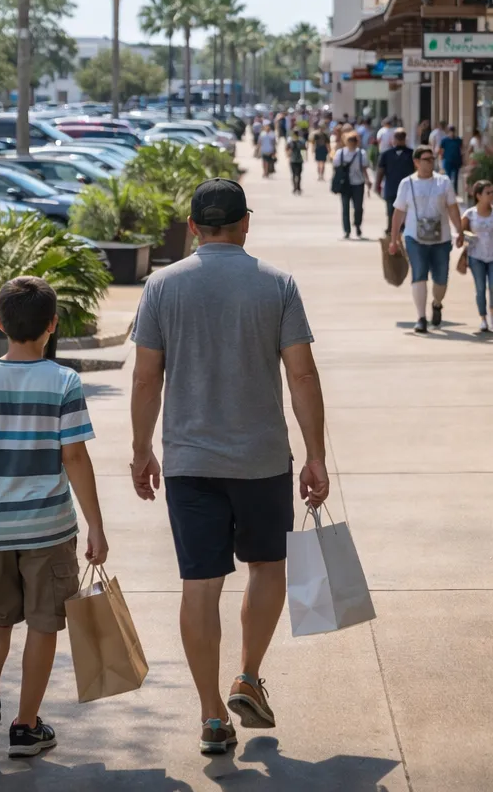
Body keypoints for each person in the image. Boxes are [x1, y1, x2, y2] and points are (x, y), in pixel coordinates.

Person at [128, 179, 330, 755]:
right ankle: (247, 674)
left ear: (193, 227)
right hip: (262, 458)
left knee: (200, 583)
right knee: (268, 568)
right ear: (246, 223)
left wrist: (142, 449)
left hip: (190, 463)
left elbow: (146, 378)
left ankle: (212, 715)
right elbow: (303, 375)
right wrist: (314, 454)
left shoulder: (161, 287)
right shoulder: (277, 286)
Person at [0, 276, 108, 761]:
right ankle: (25, 725)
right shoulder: (63, 381)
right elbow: (75, 457)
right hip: (48, 528)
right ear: (52, 326)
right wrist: (95, 524)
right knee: (43, 623)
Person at [389, 146, 465, 333]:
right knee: (419, 274)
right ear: (416, 162)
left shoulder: (443, 182)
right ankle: (421, 317)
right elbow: (399, 212)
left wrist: (460, 231)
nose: (431, 162)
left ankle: (437, 304)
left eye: (432, 159)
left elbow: (453, 208)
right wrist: (393, 239)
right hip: (414, 236)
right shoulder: (407, 184)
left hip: (442, 238)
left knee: (441, 279)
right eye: (426, 159)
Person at [461, 179, 493, 333]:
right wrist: (468, 236)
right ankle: (483, 318)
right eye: (488, 193)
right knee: (480, 288)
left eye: (492, 192)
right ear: (478, 196)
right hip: (476, 256)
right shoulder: (469, 214)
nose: (491, 196)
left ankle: (491, 309)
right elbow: (461, 233)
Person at [374, 127, 416, 228]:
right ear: (393, 139)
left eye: (401, 137)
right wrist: (377, 185)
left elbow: (417, 170)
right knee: (391, 212)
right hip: (391, 188)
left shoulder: (412, 154)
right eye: (397, 137)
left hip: (408, 189)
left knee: (407, 214)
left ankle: (403, 233)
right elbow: (380, 171)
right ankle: (391, 232)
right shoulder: (386, 155)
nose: (399, 140)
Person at [332, 131, 370, 239]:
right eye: (349, 140)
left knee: (358, 207)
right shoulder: (340, 153)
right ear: (345, 142)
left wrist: (367, 180)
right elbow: (336, 166)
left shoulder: (361, 153)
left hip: (358, 183)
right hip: (345, 184)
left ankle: (357, 224)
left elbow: (364, 168)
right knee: (345, 207)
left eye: (353, 141)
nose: (351, 143)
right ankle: (347, 230)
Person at [439, 124, 466, 194]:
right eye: (450, 131)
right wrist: (441, 160)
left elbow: (462, 150)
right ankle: (448, 191)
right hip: (448, 161)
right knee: (448, 177)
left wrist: (463, 160)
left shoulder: (458, 140)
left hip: (457, 161)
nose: (452, 133)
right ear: (448, 132)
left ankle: (455, 191)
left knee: (456, 177)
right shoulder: (444, 140)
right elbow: (441, 150)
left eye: (453, 131)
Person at [286, 130, 306, 195]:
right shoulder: (301, 141)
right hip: (299, 160)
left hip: (293, 160)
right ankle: (297, 187)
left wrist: (288, 156)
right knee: (298, 175)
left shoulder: (291, 141)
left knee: (294, 175)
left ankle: (295, 187)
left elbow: (287, 150)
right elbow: (304, 150)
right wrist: (304, 158)